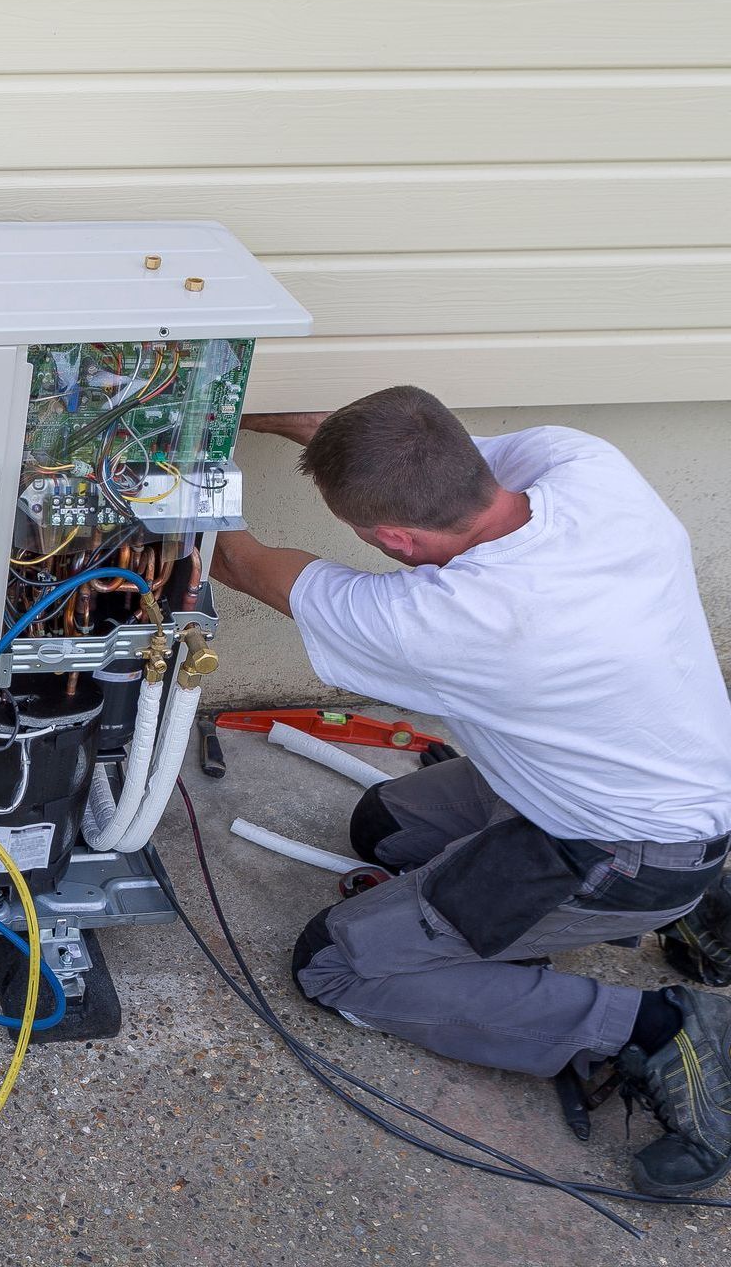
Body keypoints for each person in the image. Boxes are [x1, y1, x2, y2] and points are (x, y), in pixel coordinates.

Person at [210, 385, 731, 1197]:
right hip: (662, 781)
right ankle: (700, 905)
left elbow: (235, 561)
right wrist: (214, 408)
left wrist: (168, 463)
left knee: (338, 967)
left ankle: (659, 1030)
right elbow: (342, 432)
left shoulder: (453, 618)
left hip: (616, 850)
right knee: (384, 828)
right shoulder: (585, 467)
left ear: (394, 538)